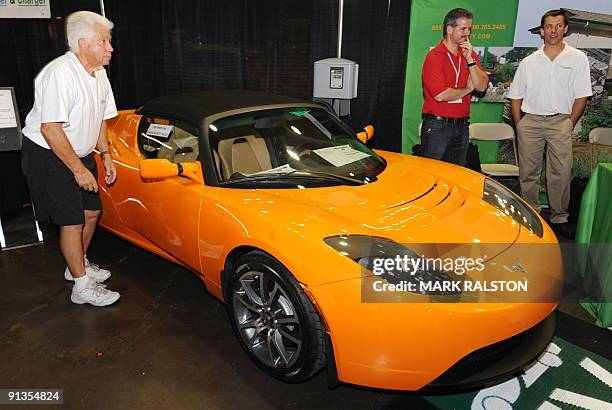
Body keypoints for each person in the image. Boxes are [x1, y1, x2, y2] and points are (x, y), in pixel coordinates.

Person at [21, 11, 121, 306]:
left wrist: (106, 155)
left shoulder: (100, 73)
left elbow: (101, 118)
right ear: (82, 44)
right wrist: (78, 170)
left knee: (92, 212)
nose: (110, 48)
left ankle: (76, 265)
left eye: (109, 41)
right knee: (71, 221)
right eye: (103, 42)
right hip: (49, 154)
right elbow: (50, 130)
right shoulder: (59, 75)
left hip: (80, 152)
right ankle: (81, 287)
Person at [507, 9, 592, 238]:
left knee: (561, 172)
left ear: (565, 29)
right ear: (542, 31)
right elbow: (515, 95)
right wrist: (520, 124)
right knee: (528, 172)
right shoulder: (529, 62)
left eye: (558, 26)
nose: (553, 30)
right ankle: (530, 213)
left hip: (560, 121)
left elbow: (582, 95)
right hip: (530, 122)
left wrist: (570, 122)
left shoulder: (577, 58)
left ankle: (559, 217)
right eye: (549, 26)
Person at [420, 8, 488, 166]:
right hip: (438, 126)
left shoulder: (469, 55)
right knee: (433, 174)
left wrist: (470, 60)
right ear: (449, 29)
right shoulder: (434, 56)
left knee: (457, 175)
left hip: (462, 126)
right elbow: (441, 95)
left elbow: (482, 86)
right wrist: (468, 89)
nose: (467, 33)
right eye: (463, 28)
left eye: (469, 29)